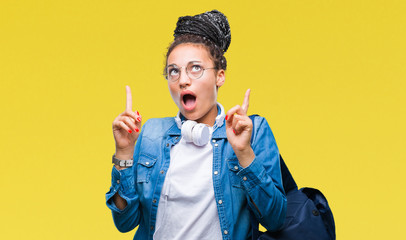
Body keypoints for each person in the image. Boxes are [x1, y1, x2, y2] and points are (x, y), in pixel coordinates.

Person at [106, 10, 287, 240]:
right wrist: (123, 152)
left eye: (195, 68)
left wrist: (243, 152)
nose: (183, 80)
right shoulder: (152, 133)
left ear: (219, 76)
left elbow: (275, 219)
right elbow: (125, 222)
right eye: (174, 71)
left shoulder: (253, 130)